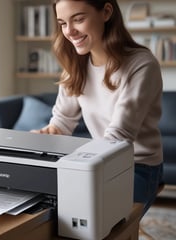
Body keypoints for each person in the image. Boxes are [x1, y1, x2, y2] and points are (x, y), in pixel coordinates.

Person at [33, 0, 163, 216]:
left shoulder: (141, 64)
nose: (69, 31)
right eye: (63, 23)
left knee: (89, 216)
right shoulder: (76, 67)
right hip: (100, 163)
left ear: (106, 12)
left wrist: (78, 168)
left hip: (138, 167)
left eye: (78, 19)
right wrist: (41, 138)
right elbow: (61, 124)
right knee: (46, 210)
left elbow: (117, 138)